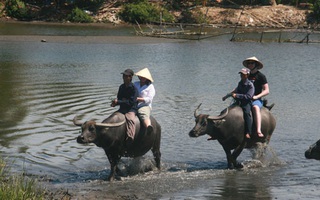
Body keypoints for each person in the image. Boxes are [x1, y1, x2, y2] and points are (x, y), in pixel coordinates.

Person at [222, 68, 254, 139]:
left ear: (247, 75)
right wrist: (226, 96)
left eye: (243, 74)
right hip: (238, 102)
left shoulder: (250, 85)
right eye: (241, 74)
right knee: (226, 111)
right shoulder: (240, 83)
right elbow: (236, 91)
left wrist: (237, 95)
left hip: (246, 103)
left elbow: (249, 96)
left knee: (247, 114)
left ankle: (248, 132)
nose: (242, 75)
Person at [243, 56, 269, 138]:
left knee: (255, 108)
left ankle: (258, 130)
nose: (250, 64)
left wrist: (257, 96)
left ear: (256, 64)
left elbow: (267, 90)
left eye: (252, 63)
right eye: (249, 63)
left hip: (256, 99)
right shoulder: (246, 75)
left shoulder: (261, 76)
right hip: (245, 98)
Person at [111, 69, 138, 141]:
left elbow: (131, 102)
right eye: (123, 76)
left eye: (126, 76)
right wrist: (115, 103)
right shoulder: (121, 87)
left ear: (130, 77)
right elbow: (119, 98)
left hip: (131, 109)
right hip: (122, 108)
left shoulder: (134, 89)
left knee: (130, 119)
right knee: (113, 117)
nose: (124, 78)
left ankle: (130, 136)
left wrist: (120, 101)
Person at [134, 68, 155, 135]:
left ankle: (148, 126)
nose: (142, 78)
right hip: (134, 104)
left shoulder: (150, 87)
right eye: (141, 76)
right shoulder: (135, 84)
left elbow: (149, 99)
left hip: (144, 105)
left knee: (143, 113)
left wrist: (139, 99)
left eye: (144, 77)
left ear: (147, 78)